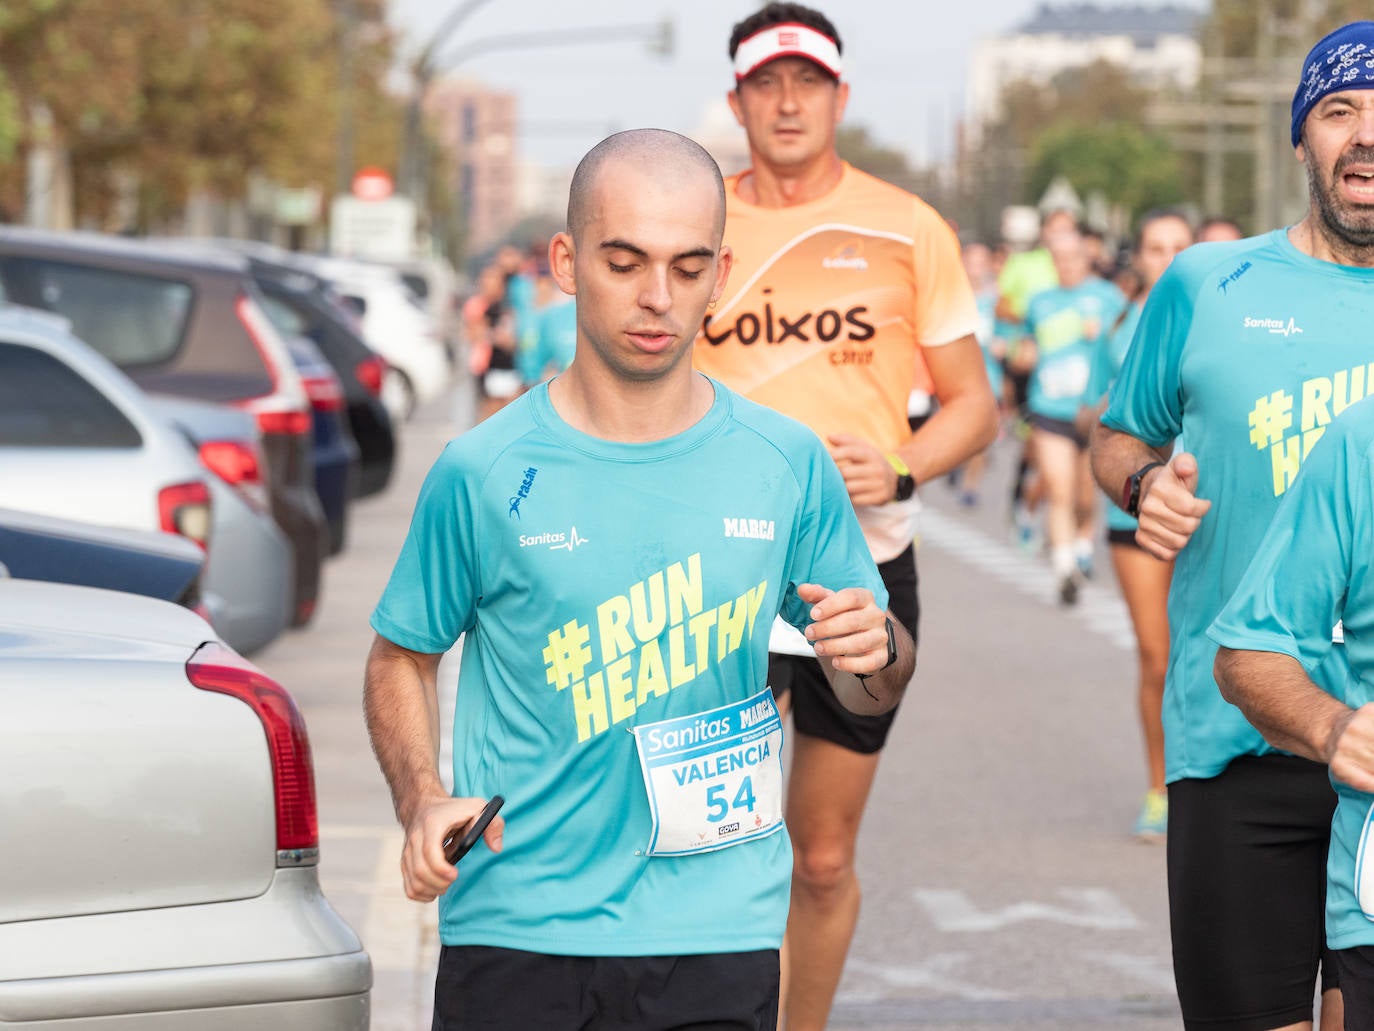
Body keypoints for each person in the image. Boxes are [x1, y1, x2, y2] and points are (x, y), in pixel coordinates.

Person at [363, 127, 914, 1031]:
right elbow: (401, 657)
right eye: (626, 262)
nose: (659, 298)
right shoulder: (483, 468)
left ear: (721, 272)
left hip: (717, 932)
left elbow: (871, 686)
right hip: (516, 926)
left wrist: (877, 646)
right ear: (568, 261)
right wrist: (420, 796)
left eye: (689, 267)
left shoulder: (785, 462)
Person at [692, 6, 997, 1027]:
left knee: (820, 856)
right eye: (766, 85)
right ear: (736, 101)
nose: (787, 102)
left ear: (839, 98)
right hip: (712, 577)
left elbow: (975, 405)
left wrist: (900, 467)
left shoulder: (907, 226)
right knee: (705, 844)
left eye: (807, 83)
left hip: (856, 573)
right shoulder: (695, 226)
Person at [1088, 21, 1374, 1029]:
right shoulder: (1208, 284)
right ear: (1301, 137)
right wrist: (1145, 483)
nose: (1365, 136)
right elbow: (1118, 436)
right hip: (1235, 738)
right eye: (1340, 110)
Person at [1078, 210, 1193, 838]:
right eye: (1157, 246)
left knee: (1217, 653)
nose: (1169, 257)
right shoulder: (1120, 326)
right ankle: (1160, 786)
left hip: (1208, 510)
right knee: (1158, 656)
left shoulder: (1219, 317)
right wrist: (1115, 411)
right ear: (1139, 256)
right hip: (1139, 509)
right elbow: (1091, 425)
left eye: (1181, 246)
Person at [1024, 226, 1125, 604]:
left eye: (1073, 258)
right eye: (1059, 259)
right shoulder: (1040, 302)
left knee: (1086, 496)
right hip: (1049, 408)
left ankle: (1083, 544)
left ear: (1087, 258)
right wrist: (1022, 355)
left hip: (1094, 412)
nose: (1066, 266)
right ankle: (1065, 568)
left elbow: (1125, 345)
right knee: (1059, 488)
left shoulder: (1108, 298)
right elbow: (1029, 347)